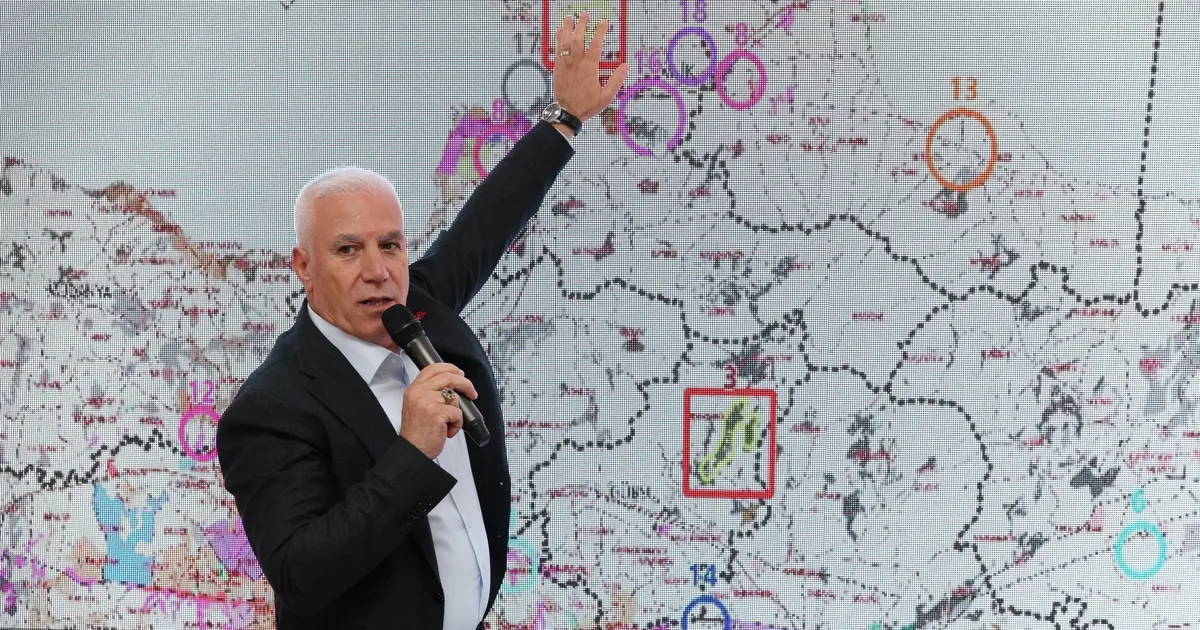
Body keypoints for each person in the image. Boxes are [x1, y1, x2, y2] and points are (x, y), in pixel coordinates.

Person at [215, 12, 629, 630]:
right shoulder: (270, 409)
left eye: (391, 245)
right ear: (303, 265)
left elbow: (488, 221)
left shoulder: (420, 307)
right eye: (348, 250)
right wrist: (411, 452)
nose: (378, 271)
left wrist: (564, 117)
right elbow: (303, 575)